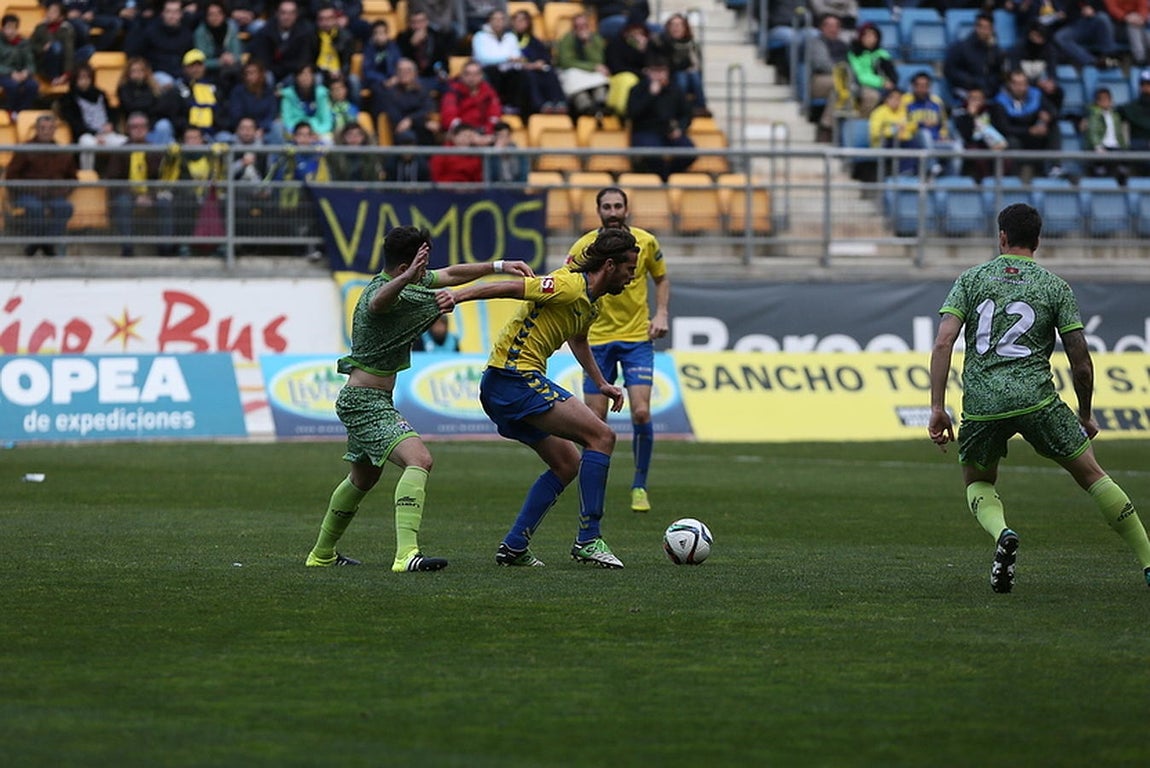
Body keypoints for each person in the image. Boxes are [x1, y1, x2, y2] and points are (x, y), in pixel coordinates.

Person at [928, 203, 1150, 593]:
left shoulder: (971, 279)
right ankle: (1148, 562)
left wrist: (936, 407)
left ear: (1001, 238)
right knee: (1093, 476)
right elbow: (1080, 362)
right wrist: (1085, 414)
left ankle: (1003, 534)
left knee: (978, 482)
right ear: (1038, 240)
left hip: (983, 404)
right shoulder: (1054, 287)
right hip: (1038, 400)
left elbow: (945, 340)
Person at [305, 225, 536, 571]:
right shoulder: (380, 292)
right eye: (419, 269)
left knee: (363, 478)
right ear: (404, 269)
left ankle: (321, 554)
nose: (427, 275)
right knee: (420, 459)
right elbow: (379, 303)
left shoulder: (410, 282)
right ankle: (406, 555)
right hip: (364, 401)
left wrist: (500, 265)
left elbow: (453, 274)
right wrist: (411, 276)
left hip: (367, 398)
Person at [446, 228, 640, 569]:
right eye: (629, 269)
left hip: (508, 383)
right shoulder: (567, 285)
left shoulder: (591, 305)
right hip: (513, 377)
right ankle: (589, 539)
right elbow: (512, 288)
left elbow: (578, 339)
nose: (632, 277)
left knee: (567, 463)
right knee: (602, 436)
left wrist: (602, 383)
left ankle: (514, 545)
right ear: (609, 265)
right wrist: (457, 297)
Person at [565, 187, 668, 514]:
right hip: (596, 340)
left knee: (641, 412)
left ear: (626, 208)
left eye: (617, 205)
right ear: (598, 211)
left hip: (637, 337)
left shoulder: (646, 242)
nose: (612, 211)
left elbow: (661, 279)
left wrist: (662, 313)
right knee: (595, 420)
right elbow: (567, 277)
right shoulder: (585, 245)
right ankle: (592, 486)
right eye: (606, 206)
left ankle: (640, 485)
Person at [3, 113, 78, 256]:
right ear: (37, 129)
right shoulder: (24, 150)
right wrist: (26, 188)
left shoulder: (63, 153)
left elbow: (73, 178)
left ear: (54, 130)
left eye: (50, 128)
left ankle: (40, 243)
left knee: (65, 207)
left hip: (54, 195)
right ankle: (45, 245)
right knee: (35, 208)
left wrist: (63, 191)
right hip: (29, 194)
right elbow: (11, 176)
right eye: (43, 128)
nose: (46, 131)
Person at [103, 111, 173, 257]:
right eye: (134, 127)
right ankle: (127, 248)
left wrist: (151, 195)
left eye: (142, 126)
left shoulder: (156, 151)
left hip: (152, 195)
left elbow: (163, 178)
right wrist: (136, 196)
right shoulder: (120, 151)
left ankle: (165, 249)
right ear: (128, 129)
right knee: (122, 202)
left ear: (148, 129)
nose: (139, 130)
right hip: (128, 195)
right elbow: (113, 180)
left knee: (165, 201)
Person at [626, 55, 696, 180]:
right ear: (648, 72)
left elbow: (686, 114)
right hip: (645, 131)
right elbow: (632, 114)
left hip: (668, 131)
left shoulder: (675, 90)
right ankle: (665, 180)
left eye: (662, 71)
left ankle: (666, 176)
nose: (659, 76)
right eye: (655, 72)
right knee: (653, 154)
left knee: (690, 152)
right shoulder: (637, 89)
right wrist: (650, 95)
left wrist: (680, 128)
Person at [59, 62, 126, 172]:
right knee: (87, 143)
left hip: (106, 134)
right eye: (81, 78)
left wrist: (111, 124)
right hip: (86, 135)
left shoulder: (100, 94)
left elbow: (112, 113)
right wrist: (95, 134)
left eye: (87, 78)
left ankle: (118, 176)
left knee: (126, 143)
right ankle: (87, 175)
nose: (84, 81)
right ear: (75, 80)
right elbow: (75, 124)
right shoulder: (68, 99)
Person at [123, 0, 194, 88]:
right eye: (168, 11)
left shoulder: (186, 34)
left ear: (181, 14)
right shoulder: (151, 32)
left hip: (181, 75)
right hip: (156, 74)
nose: (172, 15)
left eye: (176, 12)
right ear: (162, 13)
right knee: (167, 84)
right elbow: (135, 53)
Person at [943, 12, 1006, 106]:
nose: (984, 31)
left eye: (988, 28)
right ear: (976, 27)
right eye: (981, 27)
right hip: (965, 90)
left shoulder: (996, 51)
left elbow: (999, 74)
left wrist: (987, 88)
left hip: (989, 92)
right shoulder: (960, 47)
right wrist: (973, 84)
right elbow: (950, 70)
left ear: (992, 29)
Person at [554, 12, 610, 117]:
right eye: (578, 26)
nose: (581, 28)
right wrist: (592, 67)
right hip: (573, 71)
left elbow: (599, 60)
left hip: (592, 72)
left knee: (601, 79)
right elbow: (566, 62)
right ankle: (586, 107)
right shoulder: (567, 39)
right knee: (574, 78)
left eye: (584, 25)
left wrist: (587, 44)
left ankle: (601, 105)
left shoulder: (596, 39)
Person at [30, 1, 91, 86]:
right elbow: (31, 46)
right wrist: (42, 48)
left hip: (62, 62)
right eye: (49, 11)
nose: (50, 14)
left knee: (88, 49)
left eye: (54, 12)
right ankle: (53, 77)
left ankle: (66, 75)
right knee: (56, 46)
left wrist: (66, 74)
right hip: (45, 63)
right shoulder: (40, 27)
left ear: (61, 17)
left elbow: (68, 51)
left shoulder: (67, 29)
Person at [439, 59, 503, 135]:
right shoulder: (452, 91)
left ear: (481, 76)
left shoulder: (489, 92)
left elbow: (494, 115)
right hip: (460, 133)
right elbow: (449, 118)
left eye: (476, 74)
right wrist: (467, 133)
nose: (471, 78)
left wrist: (486, 130)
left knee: (503, 135)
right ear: (461, 75)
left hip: (483, 132)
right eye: (467, 74)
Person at [1082, 86, 1130, 182]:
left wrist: (1124, 147)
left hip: (1116, 146)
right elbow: (1093, 132)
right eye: (1102, 99)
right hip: (1102, 146)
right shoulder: (1095, 115)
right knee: (1100, 162)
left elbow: (1120, 134)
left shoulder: (1116, 116)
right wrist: (1097, 146)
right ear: (1097, 102)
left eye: (1107, 99)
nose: (1105, 102)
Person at [0, 13, 41, 115]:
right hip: (3, 74)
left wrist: (26, 72)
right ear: (3, 28)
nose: (11, 30)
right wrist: (10, 73)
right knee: (13, 86)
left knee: (33, 85)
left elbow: (30, 62)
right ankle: (10, 110)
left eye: (14, 27)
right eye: (8, 27)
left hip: (20, 74)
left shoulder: (23, 42)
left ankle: (22, 112)